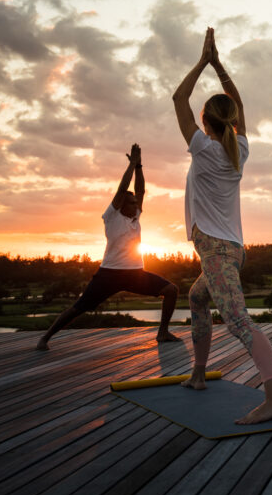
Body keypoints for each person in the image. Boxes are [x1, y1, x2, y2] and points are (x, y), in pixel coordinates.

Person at [173, 27, 272, 424]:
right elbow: (236, 102)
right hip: (229, 251)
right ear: (234, 122)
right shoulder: (239, 147)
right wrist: (219, 65)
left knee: (239, 321)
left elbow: (178, 98)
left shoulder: (204, 150)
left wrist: (203, 61)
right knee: (197, 298)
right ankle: (199, 375)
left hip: (218, 253)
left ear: (205, 122)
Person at [37, 144, 179, 350]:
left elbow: (140, 190)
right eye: (131, 202)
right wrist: (130, 165)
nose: (136, 204)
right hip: (109, 274)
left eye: (135, 202)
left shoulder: (135, 216)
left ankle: (163, 332)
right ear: (122, 205)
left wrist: (139, 166)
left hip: (135, 274)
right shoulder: (112, 217)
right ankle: (45, 338)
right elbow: (122, 189)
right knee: (79, 308)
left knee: (171, 290)